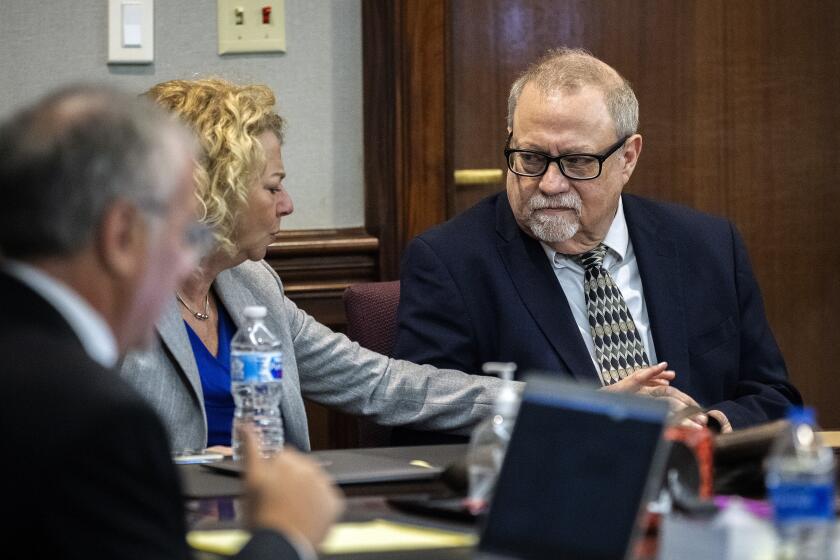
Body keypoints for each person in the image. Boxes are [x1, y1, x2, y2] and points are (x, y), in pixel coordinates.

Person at [124, 77, 634, 454]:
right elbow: (63, 463)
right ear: (210, 194)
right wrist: (180, 470)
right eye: (272, 187)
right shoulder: (111, 301)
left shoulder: (251, 286)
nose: (288, 205)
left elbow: (382, 384)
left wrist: (577, 404)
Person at [0, 85, 342, 559]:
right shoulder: (96, 421)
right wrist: (286, 534)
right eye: (184, 234)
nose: (186, 263)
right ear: (121, 235)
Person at [393, 48, 801, 433]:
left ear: (628, 158)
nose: (549, 184)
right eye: (531, 158)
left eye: (577, 162)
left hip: (699, 489)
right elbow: (421, 426)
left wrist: (704, 429)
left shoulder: (707, 245)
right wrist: (591, 418)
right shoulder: (452, 262)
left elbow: (774, 397)